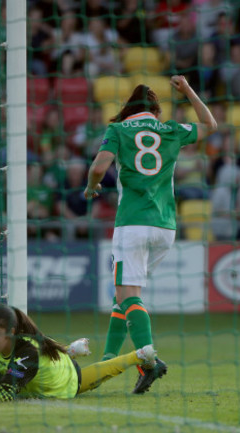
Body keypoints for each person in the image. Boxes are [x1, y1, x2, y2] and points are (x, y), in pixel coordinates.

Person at [83, 76, 217, 393]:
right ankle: (108, 359)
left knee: (127, 295)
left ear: (127, 110)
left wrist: (91, 186)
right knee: (127, 297)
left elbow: (99, 167)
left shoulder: (117, 130)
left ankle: (149, 360)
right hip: (166, 227)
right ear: (155, 111)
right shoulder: (170, 129)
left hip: (132, 222)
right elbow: (210, 125)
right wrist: (188, 91)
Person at [0, 304, 158, 402]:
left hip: (63, 380)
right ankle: (67, 349)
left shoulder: (26, 351)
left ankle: (138, 355)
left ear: (11, 332)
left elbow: (0, 397)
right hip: (36, 369)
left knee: (85, 382)